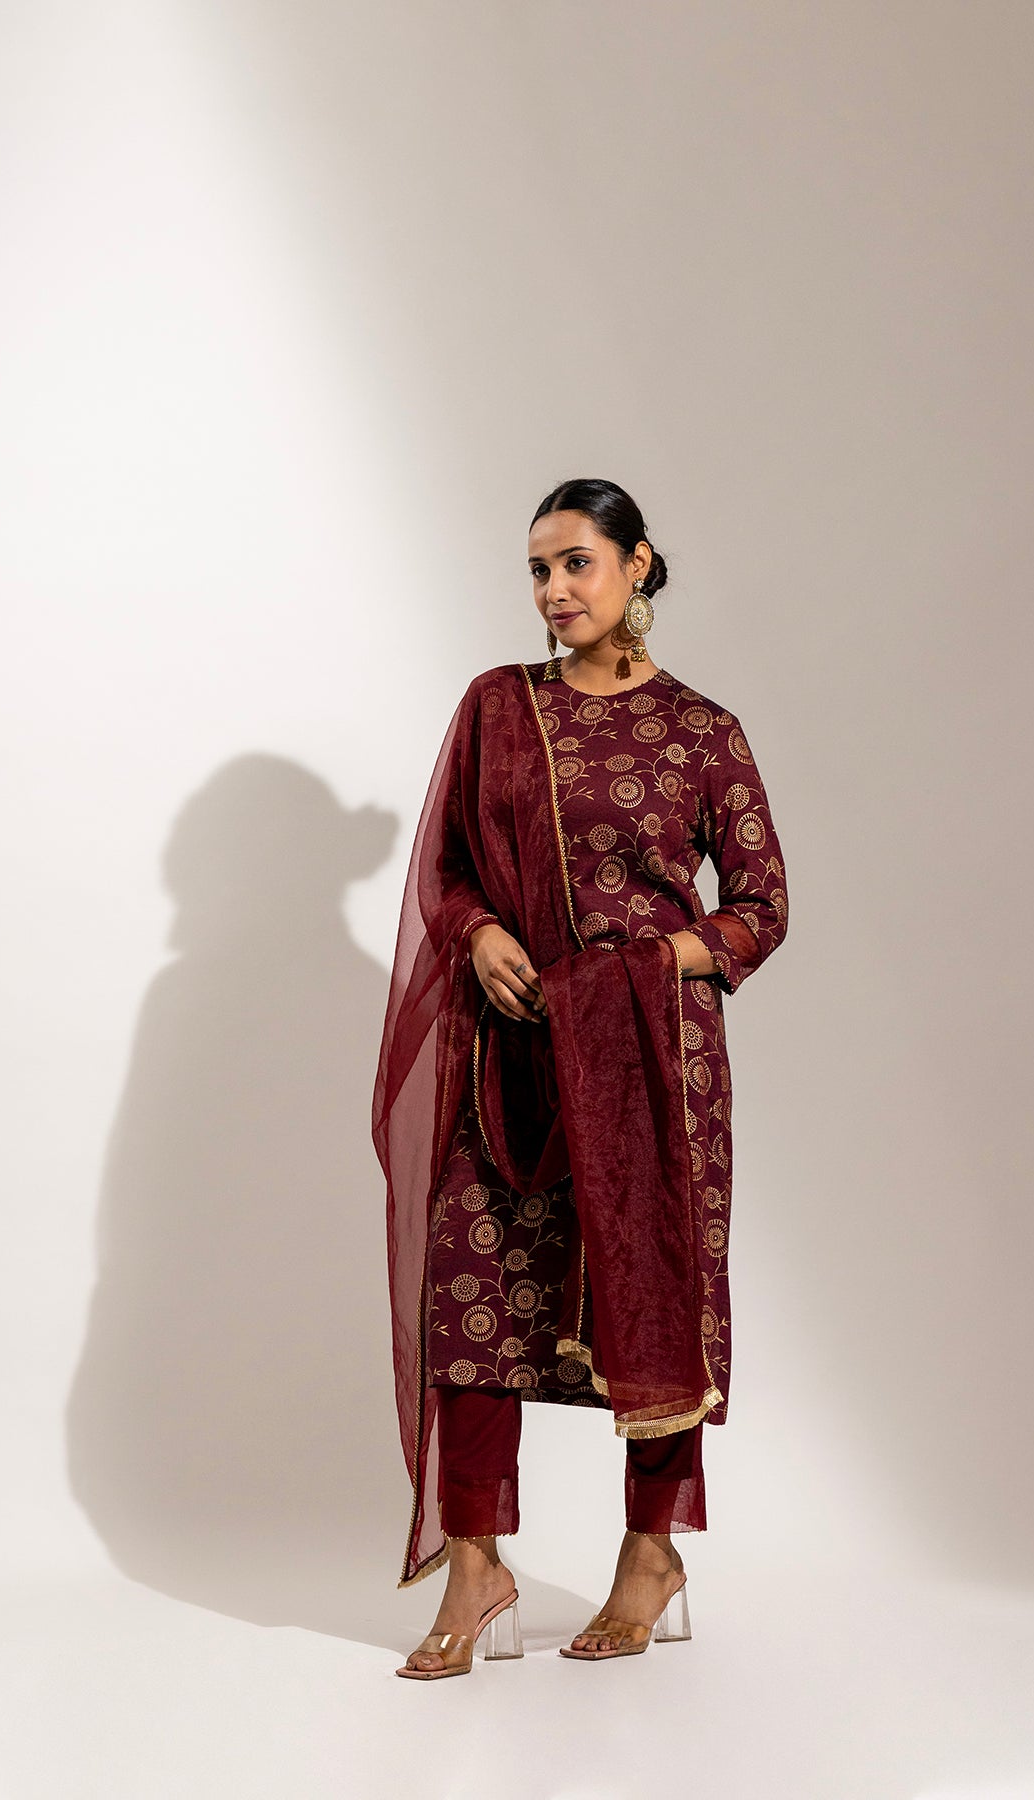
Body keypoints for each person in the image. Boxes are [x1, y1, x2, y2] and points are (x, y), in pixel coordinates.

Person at [371, 477, 789, 1677]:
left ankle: (651, 1555)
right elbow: (448, 866)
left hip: (651, 1062)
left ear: (637, 564)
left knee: (650, 1295)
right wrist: (475, 935)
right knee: (473, 1291)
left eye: (577, 564)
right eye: (538, 571)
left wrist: (651, 966)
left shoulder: (703, 732)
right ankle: (477, 1566)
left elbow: (760, 907)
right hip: (510, 1047)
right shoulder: (497, 707)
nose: (555, 591)